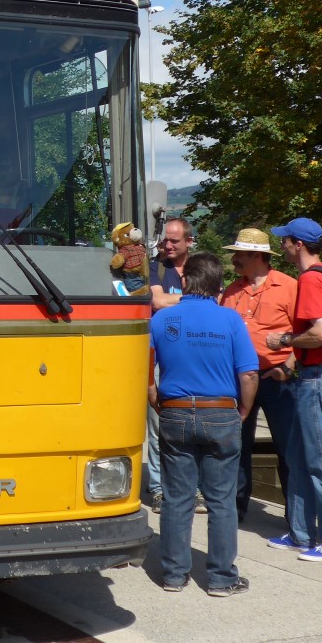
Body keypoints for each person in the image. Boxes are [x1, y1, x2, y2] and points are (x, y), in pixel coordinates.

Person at [149, 251, 258, 595]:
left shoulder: (161, 320)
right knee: (221, 500)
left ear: (184, 281)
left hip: (176, 411)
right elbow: (250, 373)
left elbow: (144, 372)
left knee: (176, 497)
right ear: (218, 285)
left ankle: (173, 575)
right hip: (221, 412)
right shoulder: (230, 320)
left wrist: (157, 401)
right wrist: (243, 410)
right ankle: (221, 579)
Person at [264, 217, 322, 563]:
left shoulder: (312, 280)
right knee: (300, 457)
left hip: (319, 378)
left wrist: (284, 340)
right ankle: (301, 532)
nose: (282, 245)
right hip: (313, 374)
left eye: (285, 240)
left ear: (298, 244)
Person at [220, 228, 298, 523]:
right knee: (237, 446)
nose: (234, 259)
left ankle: (296, 519)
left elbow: (304, 332)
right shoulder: (231, 291)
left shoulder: (289, 287)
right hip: (238, 379)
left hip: (279, 379)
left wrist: (289, 366)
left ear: (257, 256)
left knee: (288, 449)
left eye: (238, 253)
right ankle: (235, 510)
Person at [144, 218, 206, 515]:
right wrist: (198, 302)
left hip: (194, 357)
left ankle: (191, 488)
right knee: (158, 427)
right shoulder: (154, 267)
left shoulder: (201, 267)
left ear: (189, 242)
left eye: (174, 241)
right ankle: (158, 488)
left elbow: (217, 300)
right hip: (160, 356)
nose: (167, 245)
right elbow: (156, 302)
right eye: (165, 240)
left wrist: (177, 301)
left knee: (192, 427)